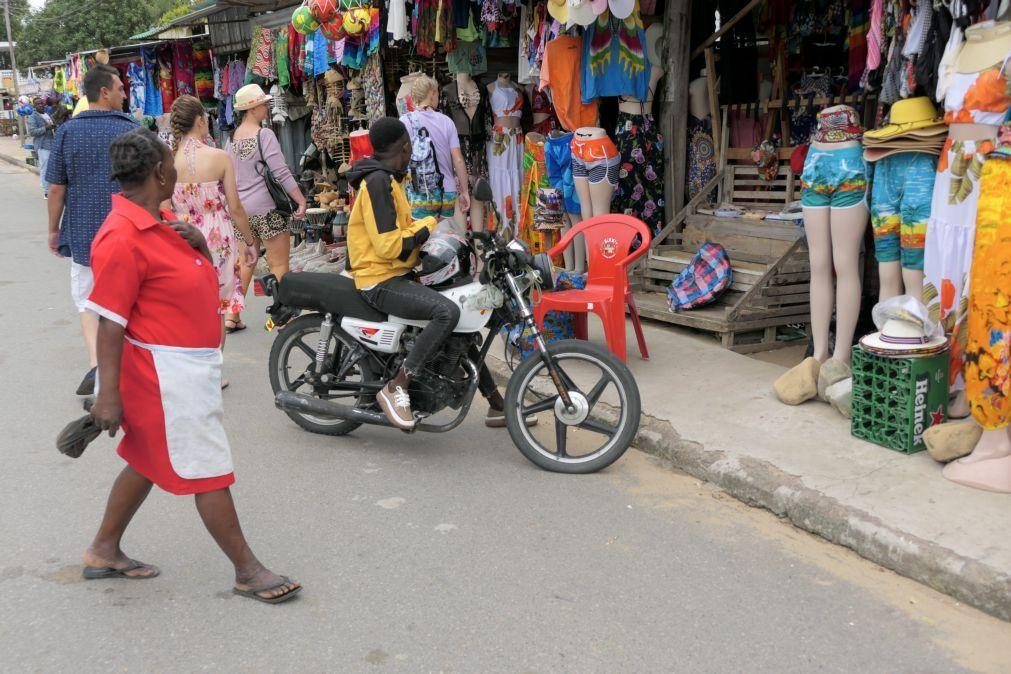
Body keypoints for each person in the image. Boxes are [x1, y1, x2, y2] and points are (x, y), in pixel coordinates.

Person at [84, 128, 301, 604]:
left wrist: (200, 246)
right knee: (207, 466)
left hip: (187, 366)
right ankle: (247, 569)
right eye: (172, 165)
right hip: (164, 375)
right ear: (160, 173)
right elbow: (110, 324)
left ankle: (103, 548)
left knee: (145, 461)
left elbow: (191, 287)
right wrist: (108, 394)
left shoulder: (159, 221)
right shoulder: (121, 236)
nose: (178, 173)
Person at [346, 118, 536, 430]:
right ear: (406, 145)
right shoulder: (378, 183)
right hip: (378, 279)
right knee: (446, 312)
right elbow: (388, 245)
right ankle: (397, 386)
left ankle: (497, 404)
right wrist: (430, 224)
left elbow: (398, 234)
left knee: (460, 315)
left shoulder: (390, 180)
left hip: (395, 272)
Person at [46, 64, 138, 396]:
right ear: (104, 92)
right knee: (128, 299)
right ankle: (128, 368)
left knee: (87, 302)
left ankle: (98, 365)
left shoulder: (67, 133)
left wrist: (54, 231)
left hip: (84, 234)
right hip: (128, 231)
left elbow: (56, 189)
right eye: (120, 88)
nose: (124, 93)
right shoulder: (132, 130)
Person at [168, 95, 257, 386]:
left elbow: (165, 207)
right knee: (217, 306)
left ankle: (189, 369)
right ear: (199, 121)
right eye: (206, 118)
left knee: (189, 309)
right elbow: (235, 207)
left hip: (182, 237)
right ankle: (212, 373)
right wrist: (250, 242)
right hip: (217, 240)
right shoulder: (219, 157)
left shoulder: (169, 161)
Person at [226, 84, 306, 332]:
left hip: (241, 212)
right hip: (267, 209)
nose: (266, 108)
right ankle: (284, 319)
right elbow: (281, 172)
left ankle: (232, 316)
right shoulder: (264, 135)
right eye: (263, 104)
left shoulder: (230, 139)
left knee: (245, 262)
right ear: (252, 108)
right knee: (279, 264)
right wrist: (300, 199)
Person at [399, 75, 471, 221]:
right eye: (437, 93)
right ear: (432, 93)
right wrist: (464, 192)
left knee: (423, 239)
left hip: (421, 192)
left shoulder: (406, 121)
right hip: (447, 191)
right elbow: (458, 160)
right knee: (443, 237)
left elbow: (400, 159)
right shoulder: (447, 122)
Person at [26, 97, 55, 198]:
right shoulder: (32, 117)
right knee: (45, 168)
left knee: (53, 168)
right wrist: (46, 128)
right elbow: (33, 132)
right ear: (34, 106)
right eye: (37, 104)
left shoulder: (47, 114)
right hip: (42, 145)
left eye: (41, 103)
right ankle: (46, 191)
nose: (40, 105)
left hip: (52, 144)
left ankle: (52, 188)